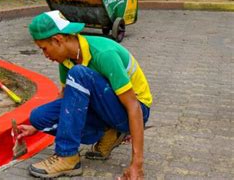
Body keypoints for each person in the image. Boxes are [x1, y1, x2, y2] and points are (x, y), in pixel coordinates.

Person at [17, 10, 152, 179]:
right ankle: (106, 133)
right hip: (104, 109)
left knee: (80, 73)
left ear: (57, 40)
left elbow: (134, 106)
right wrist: (35, 126)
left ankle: (67, 156)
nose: (45, 55)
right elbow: (67, 98)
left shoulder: (104, 54)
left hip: (133, 110)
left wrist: (136, 165)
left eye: (44, 48)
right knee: (38, 116)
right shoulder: (66, 59)